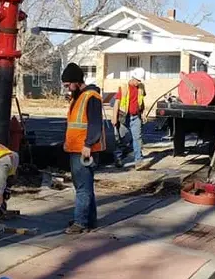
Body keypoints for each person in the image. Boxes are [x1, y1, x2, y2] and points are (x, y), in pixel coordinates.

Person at [60, 62, 105, 234]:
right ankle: (88, 220)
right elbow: (74, 124)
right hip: (76, 148)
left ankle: (80, 222)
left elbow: (94, 123)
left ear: (76, 81)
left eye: (67, 85)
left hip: (84, 150)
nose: (67, 89)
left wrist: (88, 144)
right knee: (85, 186)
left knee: (82, 188)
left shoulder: (91, 96)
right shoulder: (79, 97)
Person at [112, 67, 150, 170]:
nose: (139, 82)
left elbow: (141, 101)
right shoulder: (124, 87)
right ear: (133, 77)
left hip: (135, 116)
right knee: (121, 140)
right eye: (137, 80)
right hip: (124, 116)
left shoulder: (141, 87)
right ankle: (118, 159)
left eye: (140, 80)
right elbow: (117, 103)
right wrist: (114, 118)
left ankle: (138, 161)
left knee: (137, 138)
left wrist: (143, 113)